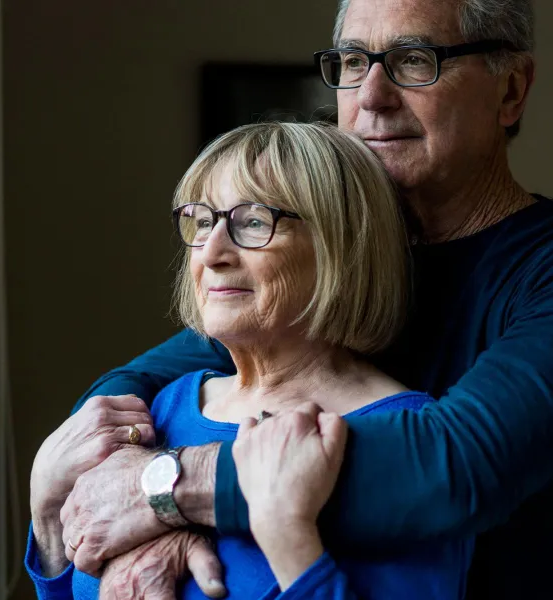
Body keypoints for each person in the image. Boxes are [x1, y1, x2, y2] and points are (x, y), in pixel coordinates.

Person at [38, 0, 553, 598]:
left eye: (415, 59)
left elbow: (451, 471)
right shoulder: (325, 263)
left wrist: (163, 490)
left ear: (511, 89)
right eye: (354, 63)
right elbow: (124, 395)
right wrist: (149, 516)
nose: (371, 96)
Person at [26, 122, 474, 599]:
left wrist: (286, 534)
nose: (212, 252)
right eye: (203, 221)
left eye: (254, 222)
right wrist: (47, 513)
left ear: (343, 248)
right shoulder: (160, 409)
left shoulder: (405, 438)